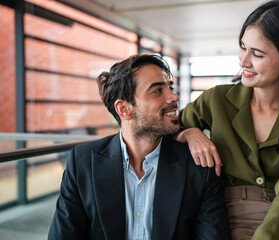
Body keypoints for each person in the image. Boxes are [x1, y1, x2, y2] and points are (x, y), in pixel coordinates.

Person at [176, 1, 279, 239]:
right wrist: (188, 133)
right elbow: (164, 132)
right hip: (228, 216)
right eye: (243, 47)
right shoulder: (216, 99)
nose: (243, 61)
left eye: (257, 53)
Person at [48, 55, 231, 240]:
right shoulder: (83, 162)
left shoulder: (198, 166)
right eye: (157, 91)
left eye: (170, 87)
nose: (174, 96)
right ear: (124, 109)